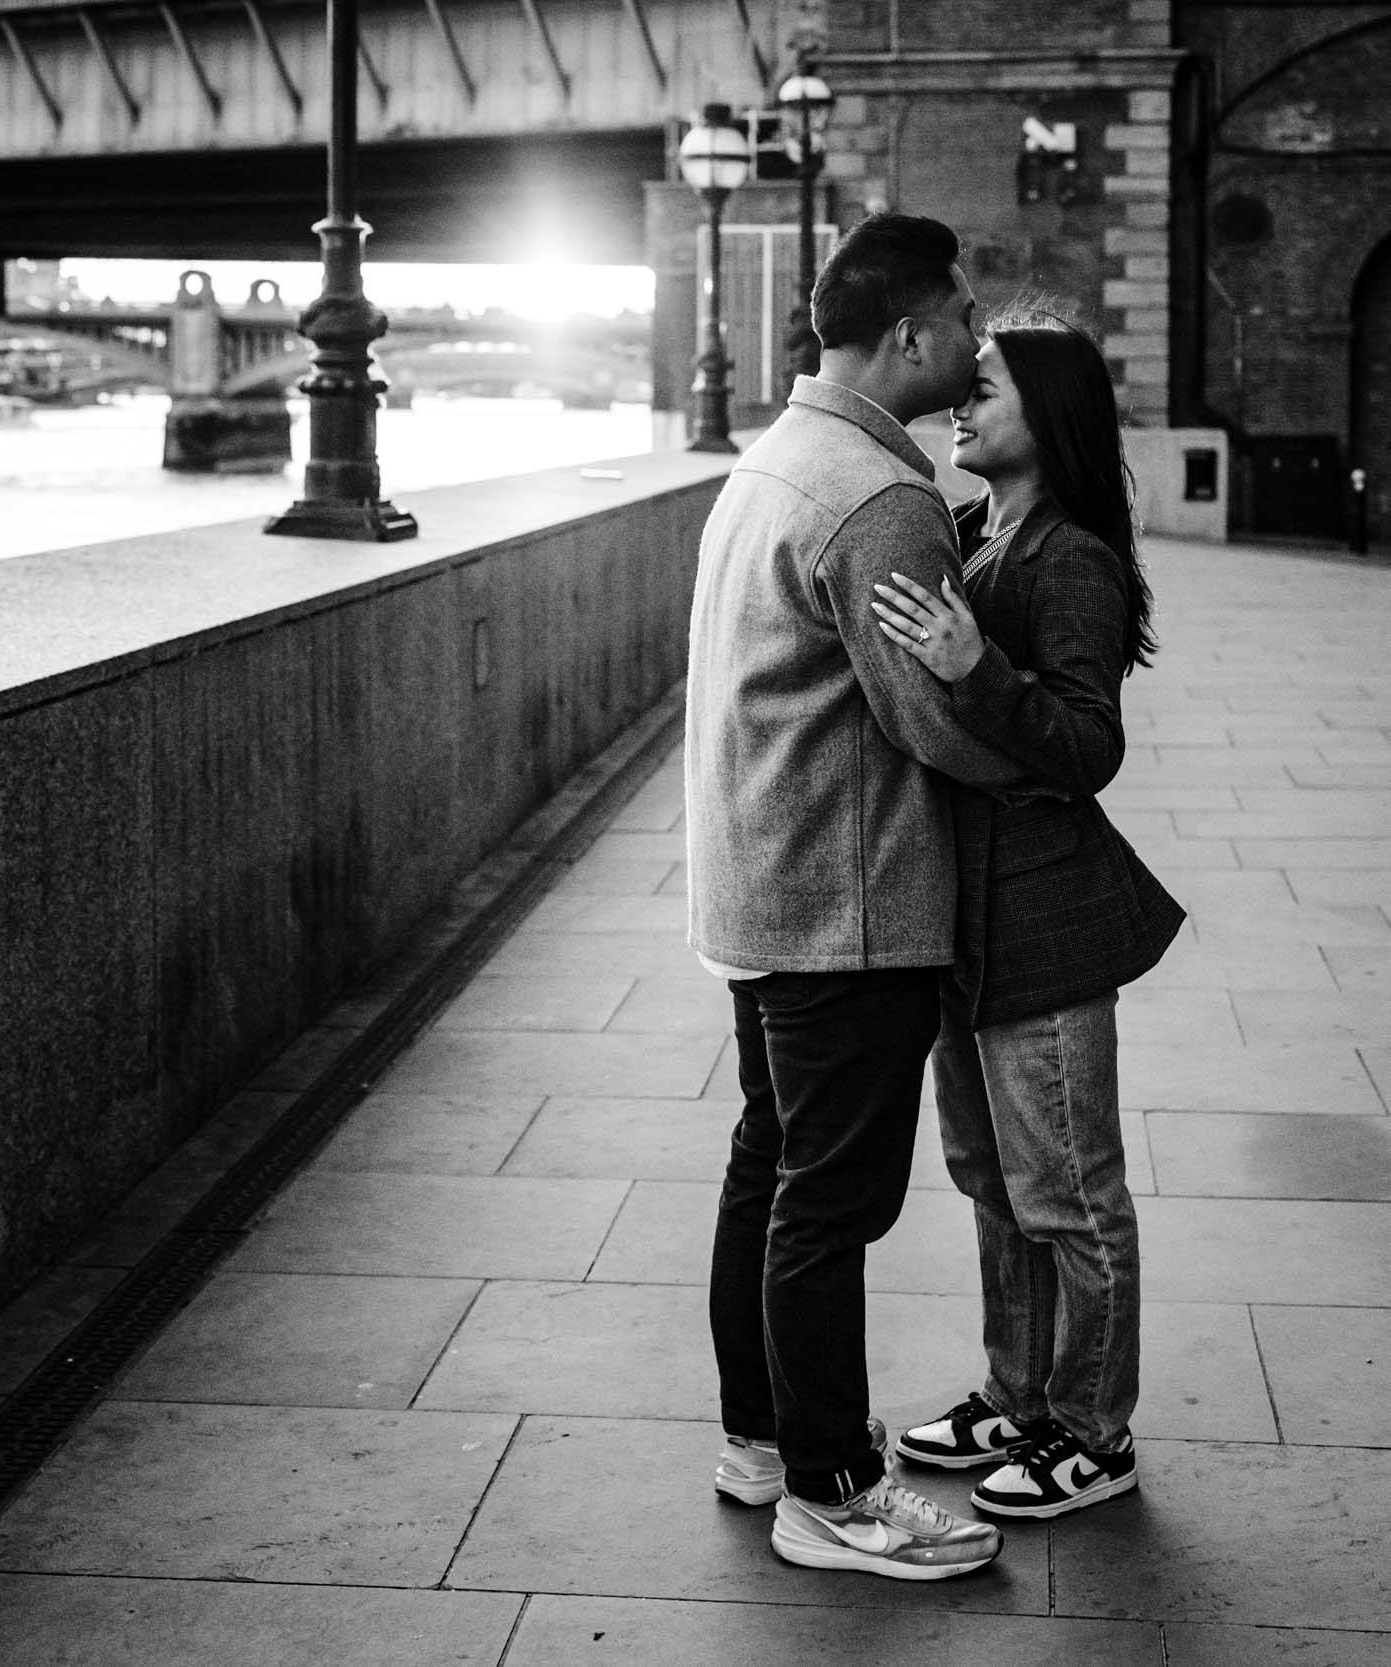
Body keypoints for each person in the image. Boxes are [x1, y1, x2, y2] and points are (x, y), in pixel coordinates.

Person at [687, 212, 1067, 1582]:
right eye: (963, 318)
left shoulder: (779, 457)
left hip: (760, 879)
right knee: (830, 1202)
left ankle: (761, 1440)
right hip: (847, 902)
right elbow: (934, 722)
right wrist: (1036, 746)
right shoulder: (881, 495)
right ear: (906, 334)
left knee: (772, 1169)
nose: (975, 346)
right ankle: (834, 1488)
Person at [868, 306, 1184, 1519]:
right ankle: (1020, 1393)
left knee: (1070, 1192)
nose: (961, 400)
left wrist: (972, 669)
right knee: (995, 1179)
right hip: (964, 917)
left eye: (984, 387)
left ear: (1044, 417)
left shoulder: (1071, 559)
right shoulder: (970, 526)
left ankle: (1095, 1432)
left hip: (1044, 919)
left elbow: (1088, 743)